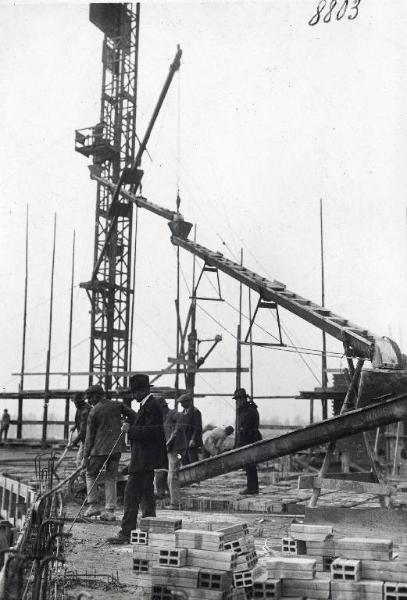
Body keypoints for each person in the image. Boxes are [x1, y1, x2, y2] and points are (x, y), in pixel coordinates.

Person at [108, 374, 167, 544]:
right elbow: (146, 428)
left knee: (130, 495)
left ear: (144, 390)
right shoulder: (146, 405)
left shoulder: (152, 406)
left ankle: (127, 533)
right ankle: (150, 528)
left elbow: (154, 432)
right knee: (147, 495)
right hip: (144, 459)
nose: (133, 396)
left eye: (135, 392)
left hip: (144, 459)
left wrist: (129, 430)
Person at [83, 384, 136, 520]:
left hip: (99, 450)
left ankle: (93, 506)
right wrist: (127, 423)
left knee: (90, 474)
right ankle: (110, 511)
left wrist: (85, 456)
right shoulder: (117, 405)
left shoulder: (94, 411)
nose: (88, 401)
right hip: (116, 449)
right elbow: (134, 415)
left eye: (89, 397)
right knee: (111, 477)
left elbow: (89, 437)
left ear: (97, 395)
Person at [234, 388, 262, 495]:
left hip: (249, 439)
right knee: (249, 465)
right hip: (248, 438)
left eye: (238, 399)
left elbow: (245, 427)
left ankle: (252, 488)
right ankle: (252, 487)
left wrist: (240, 442)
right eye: (236, 399)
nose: (237, 401)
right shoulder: (247, 409)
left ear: (243, 399)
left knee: (250, 465)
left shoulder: (248, 410)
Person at [163, 401, 188, 509]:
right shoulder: (163, 417)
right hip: (170, 450)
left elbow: (181, 416)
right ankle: (174, 501)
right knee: (169, 475)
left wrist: (175, 432)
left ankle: (175, 503)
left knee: (172, 476)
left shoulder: (172, 414)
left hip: (176, 449)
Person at [179, 393, 203, 465]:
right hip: (185, 441)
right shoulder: (183, 412)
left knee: (193, 460)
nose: (181, 405)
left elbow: (197, 427)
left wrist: (193, 439)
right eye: (181, 403)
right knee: (185, 460)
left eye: (182, 402)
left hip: (192, 442)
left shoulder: (195, 412)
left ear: (188, 402)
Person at [70, 393, 91, 467]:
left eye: (76, 403)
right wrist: (75, 426)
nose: (75, 405)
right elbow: (80, 421)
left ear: (81, 402)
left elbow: (83, 430)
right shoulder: (80, 408)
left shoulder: (86, 411)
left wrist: (74, 442)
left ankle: (82, 477)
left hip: (88, 438)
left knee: (80, 460)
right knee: (82, 460)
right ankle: (83, 476)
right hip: (85, 438)